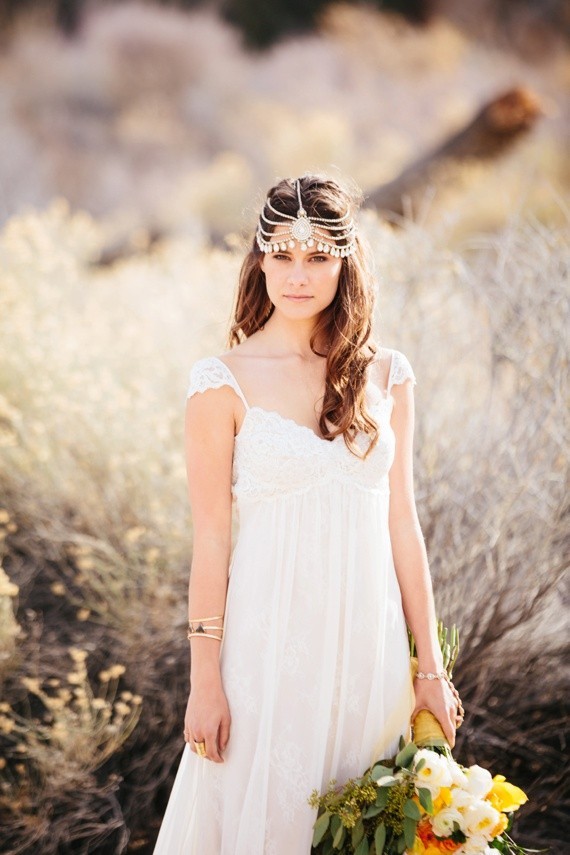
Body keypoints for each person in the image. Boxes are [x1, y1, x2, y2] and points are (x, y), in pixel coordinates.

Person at [153, 174, 464, 854]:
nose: (299, 274)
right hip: (265, 659)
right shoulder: (221, 381)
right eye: (284, 254)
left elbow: (403, 523)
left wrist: (428, 670)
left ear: (345, 261)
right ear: (259, 257)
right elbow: (211, 540)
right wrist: (205, 682)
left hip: (368, 651)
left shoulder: (387, 375)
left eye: (319, 256)